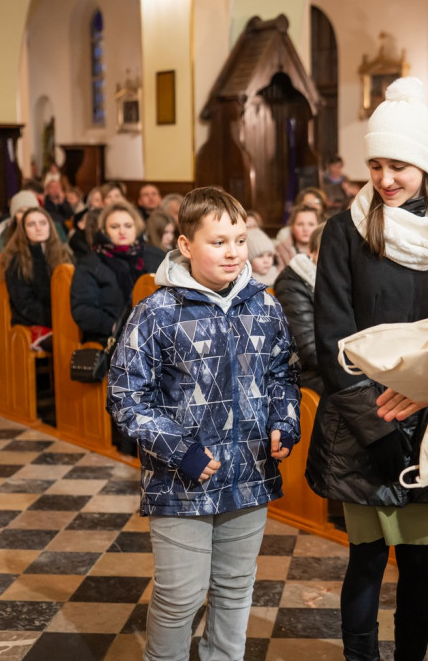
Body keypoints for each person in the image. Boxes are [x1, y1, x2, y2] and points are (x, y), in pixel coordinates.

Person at [308, 77, 428, 661]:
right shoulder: (345, 232)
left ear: (426, 166)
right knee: (365, 557)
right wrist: (377, 426)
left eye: (400, 166)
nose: (385, 179)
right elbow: (332, 337)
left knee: (418, 560)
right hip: (364, 422)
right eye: (376, 164)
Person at [107, 186, 300, 661]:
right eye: (219, 242)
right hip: (180, 480)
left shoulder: (265, 305)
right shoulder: (158, 312)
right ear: (186, 245)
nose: (234, 252)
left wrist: (284, 421)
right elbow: (126, 397)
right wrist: (183, 452)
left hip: (250, 472)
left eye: (240, 239)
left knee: (235, 590)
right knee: (180, 597)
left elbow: (283, 374)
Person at [70, 202, 146, 345]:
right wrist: (114, 326)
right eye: (115, 227)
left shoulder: (151, 256)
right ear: (104, 231)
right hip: (110, 338)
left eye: (128, 226)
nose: (122, 231)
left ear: (137, 228)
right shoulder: (91, 263)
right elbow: (82, 309)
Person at [0, 206, 73, 351]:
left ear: (50, 227)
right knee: (65, 344)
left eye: (43, 223)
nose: (38, 228)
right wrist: (56, 319)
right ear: (24, 230)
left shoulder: (62, 254)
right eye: (31, 224)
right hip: (31, 322)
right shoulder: (17, 261)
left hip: (60, 318)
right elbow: (25, 304)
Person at [274, 223, 323, 395]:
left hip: (332, 364)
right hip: (304, 370)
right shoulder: (292, 282)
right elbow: (309, 348)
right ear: (312, 252)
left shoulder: (338, 280)